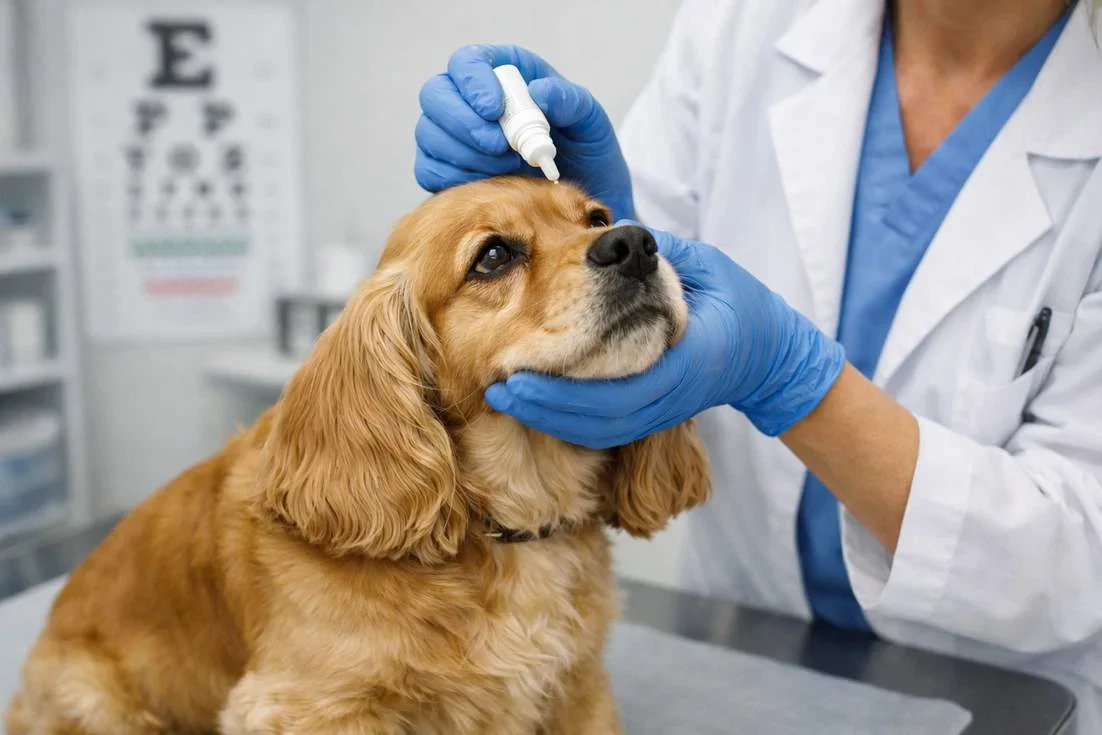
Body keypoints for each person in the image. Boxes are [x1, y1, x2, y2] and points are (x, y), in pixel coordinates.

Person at [414, 0, 1102, 726]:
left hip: (1004, 689)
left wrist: (790, 378)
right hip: (747, 641)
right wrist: (588, 217)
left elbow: (1081, 556)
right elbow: (630, 273)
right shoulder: (746, 24)